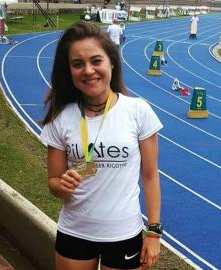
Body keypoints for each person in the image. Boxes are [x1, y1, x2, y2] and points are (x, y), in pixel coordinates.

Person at [40, 22, 163, 270]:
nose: (88, 70)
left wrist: (153, 233)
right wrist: (61, 185)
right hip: (75, 232)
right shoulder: (60, 117)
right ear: (69, 70)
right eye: (78, 64)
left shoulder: (137, 111)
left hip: (123, 233)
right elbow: (53, 183)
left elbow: (150, 176)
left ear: (111, 63)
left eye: (96, 60)